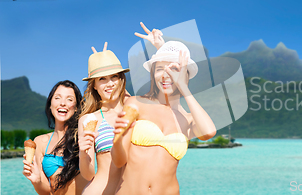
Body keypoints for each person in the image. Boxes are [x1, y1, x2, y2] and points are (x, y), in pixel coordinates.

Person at [111, 25, 217, 195]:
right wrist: (116, 141)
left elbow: (209, 132)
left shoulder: (188, 119)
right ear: (153, 74)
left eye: (174, 70)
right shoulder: (136, 103)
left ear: (185, 75)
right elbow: (118, 161)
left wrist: (183, 86)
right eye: (159, 69)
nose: (165, 75)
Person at [77, 42, 130, 195]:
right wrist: (82, 153)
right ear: (93, 85)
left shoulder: (136, 111)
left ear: (121, 79)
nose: (109, 84)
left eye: (114, 77)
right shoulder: (88, 120)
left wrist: (105, 61)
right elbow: (88, 175)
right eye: (102, 79)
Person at [22, 80, 88, 195]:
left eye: (69, 99)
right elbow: (46, 191)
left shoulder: (83, 138)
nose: (62, 103)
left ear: (77, 107)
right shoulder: (40, 142)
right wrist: (36, 181)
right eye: (57, 98)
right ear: (50, 104)